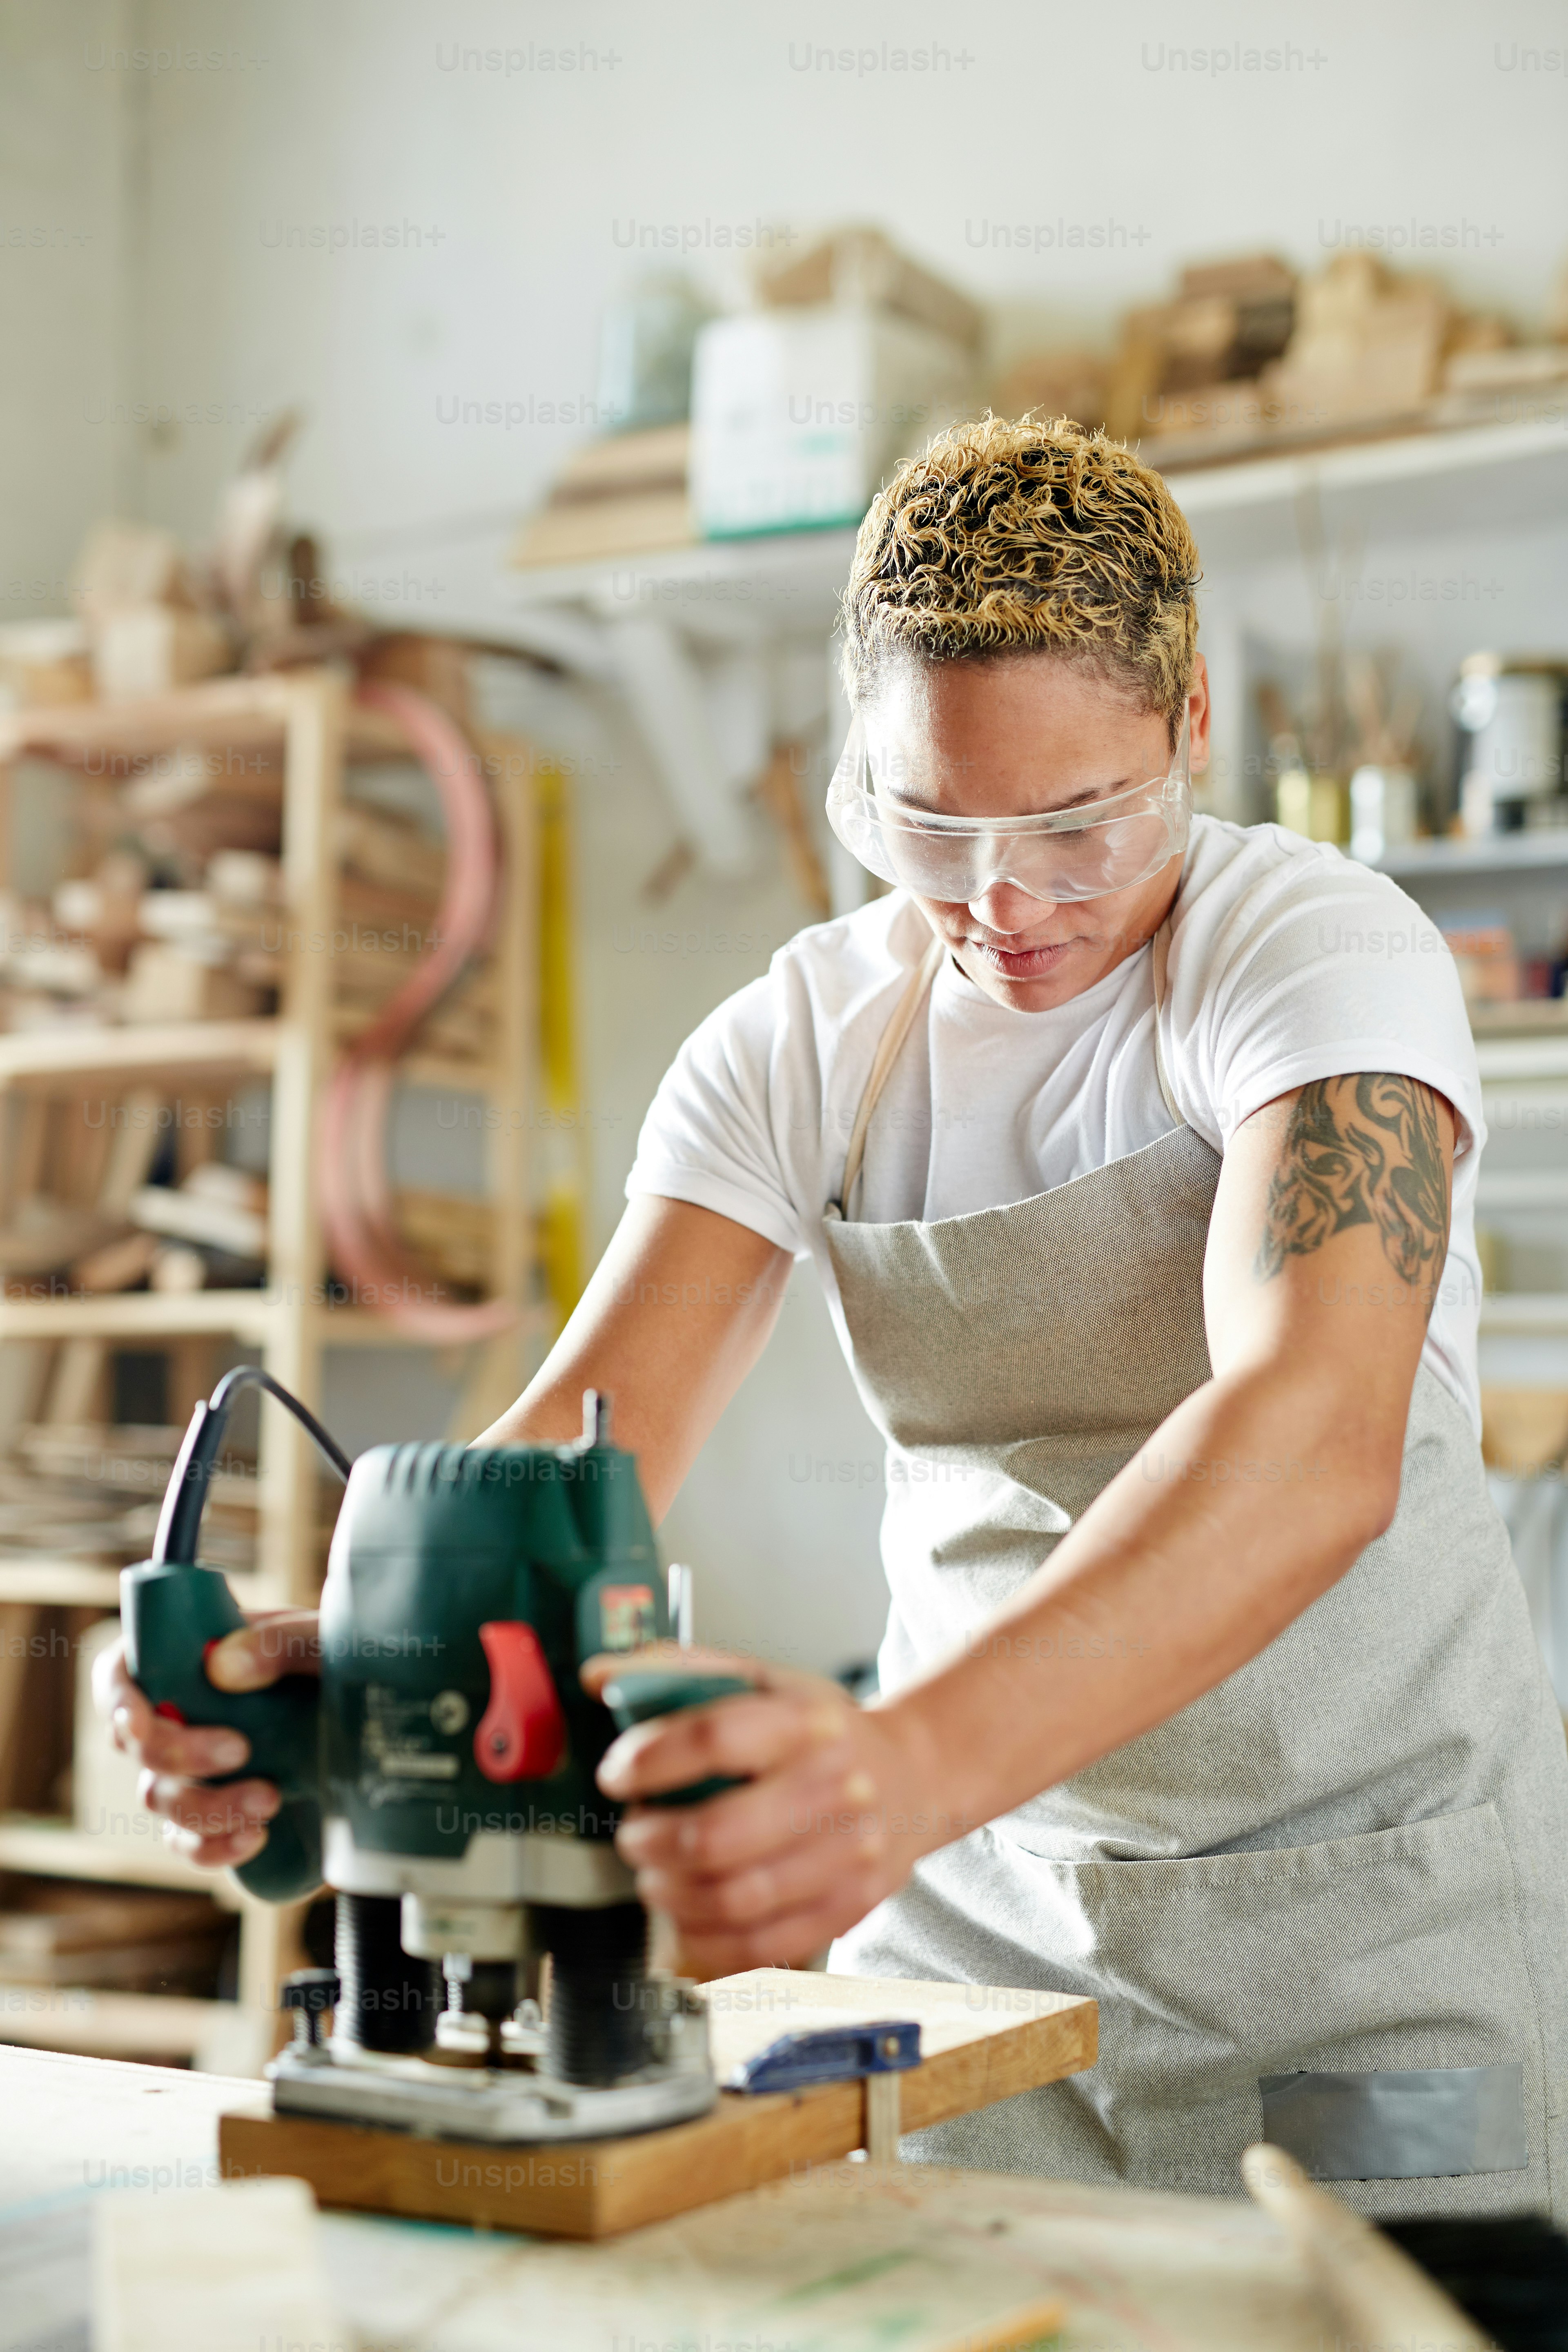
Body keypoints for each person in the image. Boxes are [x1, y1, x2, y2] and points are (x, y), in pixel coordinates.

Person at [106, 417, 1568, 2218]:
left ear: (1194, 727)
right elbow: (575, 1463)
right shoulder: (805, 1040)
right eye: (930, 826)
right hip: (969, 1921)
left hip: (1358, 1924)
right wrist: (359, 1687)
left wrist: (897, 1759)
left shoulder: (1317, 956)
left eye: (1076, 824)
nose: (1000, 901)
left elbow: (1315, 1439)